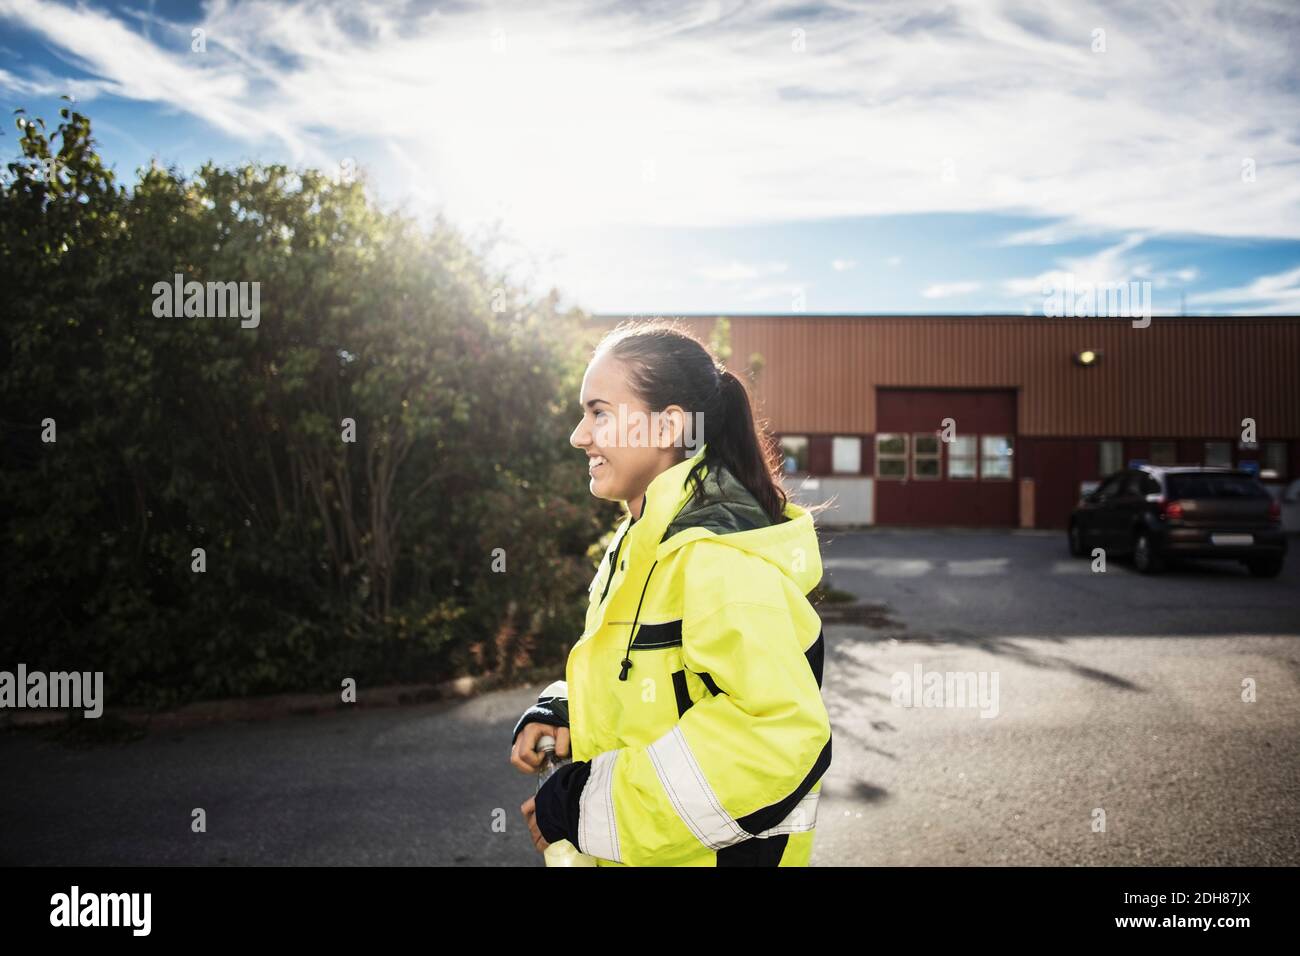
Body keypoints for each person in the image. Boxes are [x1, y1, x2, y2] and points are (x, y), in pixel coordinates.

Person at [510, 322, 832, 866]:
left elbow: (776, 737)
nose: (578, 435)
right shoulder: (639, 544)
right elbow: (649, 683)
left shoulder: (716, 559)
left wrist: (583, 806)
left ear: (667, 427)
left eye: (599, 413)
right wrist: (568, 714)